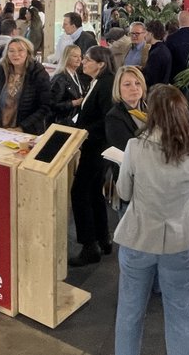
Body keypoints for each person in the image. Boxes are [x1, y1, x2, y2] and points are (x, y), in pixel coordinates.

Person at [112, 85, 189, 355]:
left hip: (139, 238)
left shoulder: (134, 147)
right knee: (180, 315)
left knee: (130, 313)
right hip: (181, 241)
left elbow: (124, 192)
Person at [69, 46, 117, 266]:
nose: (83, 63)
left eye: (87, 60)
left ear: (101, 64)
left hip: (96, 147)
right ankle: (102, 238)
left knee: (79, 192)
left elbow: (107, 119)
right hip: (94, 146)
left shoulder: (106, 84)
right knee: (94, 192)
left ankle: (89, 246)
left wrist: (85, 132)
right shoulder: (97, 82)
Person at [0, 37, 51, 135]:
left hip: (27, 132)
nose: (16, 54)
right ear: (7, 54)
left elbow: (45, 107)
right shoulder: (0, 71)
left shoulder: (38, 74)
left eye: (20, 50)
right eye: (11, 51)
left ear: (28, 53)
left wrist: (22, 128)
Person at [105, 66, 147, 153]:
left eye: (138, 83)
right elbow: (126, 150)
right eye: (127, 84)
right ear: (118, 88)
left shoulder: (151, 108)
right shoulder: (113, 117)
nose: (134, 88)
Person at [49, 44, 88, 127]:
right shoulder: (60, 78)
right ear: (67, 57)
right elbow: (52, 104)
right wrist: (74, 103)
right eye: (75, 56)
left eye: (80, 56)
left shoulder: (76, 75)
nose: (79, 59)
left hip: (73, 120)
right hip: (62, 122)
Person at [142, 20, 172, 88]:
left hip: (155, 91)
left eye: (145, 32)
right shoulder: (163, 48)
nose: (144, 35)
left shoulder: (156, 53)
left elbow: (151, 78)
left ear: (151, 34)